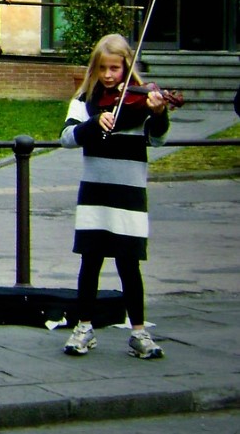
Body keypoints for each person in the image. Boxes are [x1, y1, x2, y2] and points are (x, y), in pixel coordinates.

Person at [60, 34, 169, 359]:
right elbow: (66, 137)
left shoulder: (140, 101)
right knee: (90, 260)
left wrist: (160, 113)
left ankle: (138, 331)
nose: (109, 76)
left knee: (129, 263)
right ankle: (84, 327)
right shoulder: (85, 99)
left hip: (129, 192)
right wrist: (92, 124)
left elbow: (158, 140)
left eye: (116, 69)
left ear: (127, 68)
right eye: (103, 68)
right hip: (95, 191)